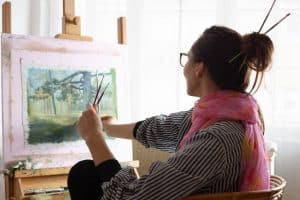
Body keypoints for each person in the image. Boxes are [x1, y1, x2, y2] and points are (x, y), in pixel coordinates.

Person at [67, 26, 274, 200]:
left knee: (84, 177)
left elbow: (132, 197)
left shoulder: (216, 139)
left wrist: (94, 138)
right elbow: (161, 128)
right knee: (86, 173)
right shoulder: (228, 115)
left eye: (187, 59)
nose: (184, 68)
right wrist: (106, 128)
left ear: (199, 68)